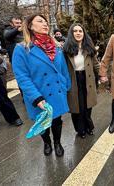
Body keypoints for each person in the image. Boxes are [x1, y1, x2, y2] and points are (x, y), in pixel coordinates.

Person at [12, 14, 71, 157]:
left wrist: (66, 86)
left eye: (46, 21)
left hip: (57, 91)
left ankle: (57, 142)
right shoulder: (22, 49)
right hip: (39, 94)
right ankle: (47, 142)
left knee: (57, 119)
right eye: (40, 21)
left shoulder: (56, 47)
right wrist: (36, 97)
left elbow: (63, 69)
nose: (45, 24)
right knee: (43, 121)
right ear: (30, 26)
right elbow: (22, 76)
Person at [63, 23, 99, 139]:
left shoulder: (89, 48)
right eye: (75, 31)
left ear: (84, 33)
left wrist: (103, 75)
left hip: (87, 78)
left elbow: (96, 65)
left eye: (80, 31)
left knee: (87, 105)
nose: (78, 33)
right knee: (76, 107)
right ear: (71, 33)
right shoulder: (66, 49)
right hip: (73, 79)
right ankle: (80, 130)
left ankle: (89, 127)